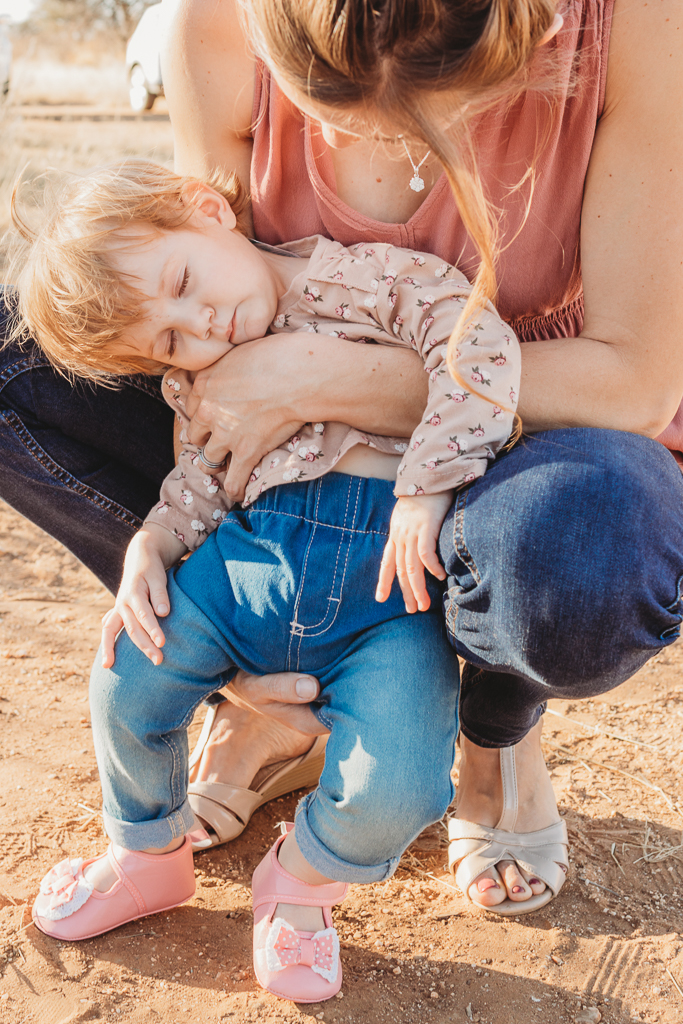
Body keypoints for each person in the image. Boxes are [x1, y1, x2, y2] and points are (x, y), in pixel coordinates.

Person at [2, 0, 682, 917]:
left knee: (586, 544)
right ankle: (263, 677)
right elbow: (193, 309)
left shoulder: (638, 25)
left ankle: (489, 726)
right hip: (288, 490)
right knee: (13, 362)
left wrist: (339, 378)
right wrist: (168, 543)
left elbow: (634, 381)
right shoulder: (210, 30)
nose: (405, 149)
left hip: (517, 429)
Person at [17, 158, 520, 999]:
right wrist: (150, 542)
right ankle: (147, 856)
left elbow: (477, 346)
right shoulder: (202, 374)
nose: (200, 325)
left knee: (399, 783)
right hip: (244, 571)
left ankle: (302, 882)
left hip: (388, 595)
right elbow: (203, 478)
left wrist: (431, 480)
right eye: (168, 342)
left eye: (182, 281)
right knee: (125, 678)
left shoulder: (368, 277)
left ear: (205, 208)